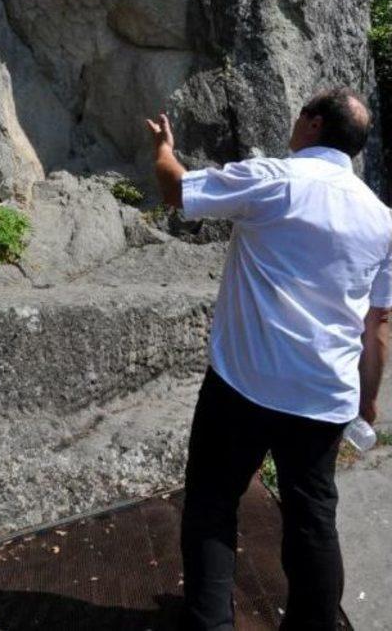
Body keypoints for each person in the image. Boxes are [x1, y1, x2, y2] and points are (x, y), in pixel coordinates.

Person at [146, 88, 392, 631]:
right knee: (312, 523)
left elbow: (176, 191)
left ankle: (211, 622)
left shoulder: (275, 179)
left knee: (213, 501)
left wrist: (165, 150)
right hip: (325, 395)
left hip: (244, 382)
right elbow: (378, 325)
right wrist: (367, 400)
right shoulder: (382, 220)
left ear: (310, 123)